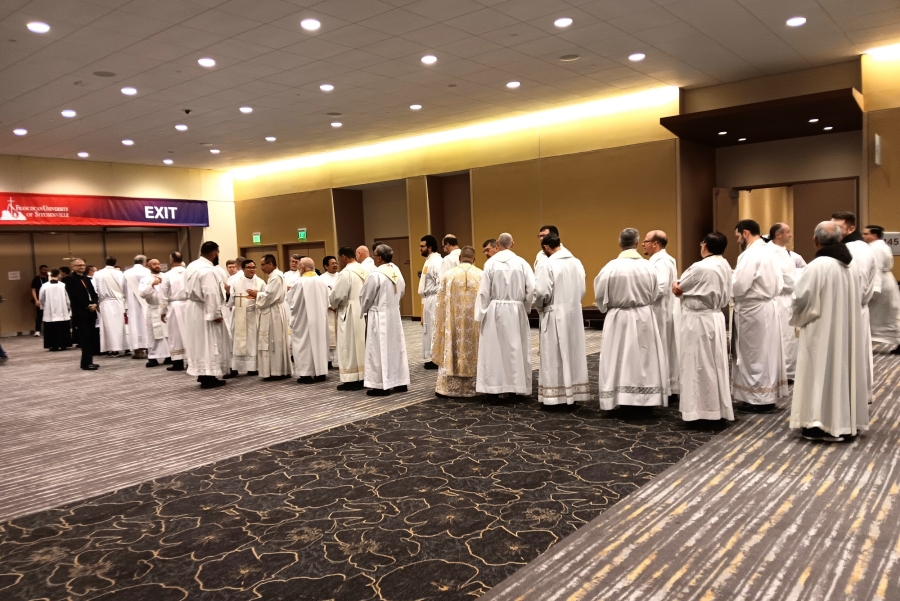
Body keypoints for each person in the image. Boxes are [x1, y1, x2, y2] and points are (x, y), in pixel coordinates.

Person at [790, 221, 869, 442]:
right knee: (841, 371)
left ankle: (819, 423)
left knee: (819, 373)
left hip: (821, 329)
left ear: (816, 241)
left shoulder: (819, 265)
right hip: (845, 328)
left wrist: (795, 312)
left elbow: (801, 297)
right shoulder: (849, 264)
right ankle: (844, 421)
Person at [594, 228, 666, 410]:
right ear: (636, 243)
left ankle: (619, 398)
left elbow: (600, 295)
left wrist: (606, 308)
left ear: (620, 244)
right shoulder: (649, 266)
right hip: (643, 315)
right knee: (643, 357)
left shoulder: (610, 268)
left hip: (618, 318)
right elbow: (656, 292)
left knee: (618, 357)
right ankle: (645, 400)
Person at [672, 232, 734, 424]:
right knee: (715, 364)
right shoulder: (725, 264)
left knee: (697, 364)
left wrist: (675, 283)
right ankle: (716, 408)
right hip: (715, 317)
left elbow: (678, 289)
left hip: (697, 320)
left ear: (705, 246)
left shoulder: (700, 267)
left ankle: (700, 411)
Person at [732, 219, 788, 413]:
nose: (738, 239)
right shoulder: (770, 251)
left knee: (754, 353)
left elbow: (740, 284)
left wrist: (726, 286)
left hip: (753, 308)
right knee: (766, 352)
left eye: (738, 235)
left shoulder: (750, 254)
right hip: (768, 305)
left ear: (745, 233)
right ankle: (766, 394)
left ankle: (758, 398)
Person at [475, 233, 535, 398]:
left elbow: (484, 292)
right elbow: (531, 288)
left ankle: (493, 390)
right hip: (517, 310)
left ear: (497, 244)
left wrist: (481, 314)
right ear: (512, 244)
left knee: (494, 349)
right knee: (515, 349)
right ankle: (515, 387)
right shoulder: (522, 263)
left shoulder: (490, 264)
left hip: (495, 309)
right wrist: (526, 307)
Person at [533, 234, 589, 407]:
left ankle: (555, 397)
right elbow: (583, 289)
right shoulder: (577, 262)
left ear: (546, 247)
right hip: (574, 314)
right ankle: (573, 393)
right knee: (572, 352)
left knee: (554, 354)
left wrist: (540, 307)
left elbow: (542, 292)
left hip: (554, 313)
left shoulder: (548, 264)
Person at [832, 211, 878, 403]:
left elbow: (857, 285)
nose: (834, 231)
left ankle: (853, 396)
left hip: (851, 310)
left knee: (852, 357)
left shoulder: (856, 250)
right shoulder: (850, 247)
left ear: (851, 229)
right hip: (850, 309)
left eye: (838, 228)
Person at [432, 246, 483, 397]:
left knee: (452, 345)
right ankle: (477, 386)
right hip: (475, 324)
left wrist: (441, 325)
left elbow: (439, 305)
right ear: (474, 260)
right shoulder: (481, 275)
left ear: (460, 258)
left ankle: (448, 388)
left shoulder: (448, 275)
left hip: (452, 324)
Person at [360, 244, 410, 396]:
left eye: (374, 255)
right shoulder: (396, 271)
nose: (373, 258)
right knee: (396, 347)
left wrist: (364, 309)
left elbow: (366, 297)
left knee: (378, 349)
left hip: (379, 315)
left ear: (379, 258)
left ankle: (381, 385)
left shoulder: (375, 275)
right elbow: (402, 290)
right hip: (394, 314)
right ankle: (400, 381)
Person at [184, 241, 231, 388]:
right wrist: (215, 314)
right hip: (205, 309)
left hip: (193, 308)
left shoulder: (192, 265)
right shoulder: (208, 271)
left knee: (199, 343)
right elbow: (210, 293)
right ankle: (209, 376)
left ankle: (202, 374)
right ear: (214, 253)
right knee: (210, 342)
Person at [642, 229, 679, 398]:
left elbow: (662, 287)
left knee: (662, 348)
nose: (643, 244)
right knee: (665, 348)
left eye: (646, 241)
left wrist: (642, 296)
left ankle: (666, 387)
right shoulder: (660, 260)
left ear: (655, 244)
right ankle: (667, 386)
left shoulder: (661, 261)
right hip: (661, 309)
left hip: (660, 310)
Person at [767, 223, 804, 382]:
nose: (791, 234)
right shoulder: (771, 252)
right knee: (784, 336)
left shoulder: (785, 253)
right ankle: (785, 371)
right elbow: (786, 279)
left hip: (787, 297)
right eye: (788, 232)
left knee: (789, 337)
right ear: (778, 235)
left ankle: (788, 370)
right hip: (780, 298)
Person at [247, 254, 291, 381]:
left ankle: (275, 371)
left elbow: (269, 296)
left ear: (270, 264)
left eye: (262, 264)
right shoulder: (276, 275)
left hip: (273, 313)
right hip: (275, 311)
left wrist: (257, 294)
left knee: (272, 341)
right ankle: (279, 369)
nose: (261, 268)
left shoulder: (275, 277)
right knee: (276, 341)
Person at [330, 247, 368, 390]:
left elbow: (338, 295)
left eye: (340, 258)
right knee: (361, 345)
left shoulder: (346, 273)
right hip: (362, 309)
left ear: (344, 257)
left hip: (349, 311)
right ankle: (363, 376)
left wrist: (332, 302)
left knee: (348, 345)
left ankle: (351, 379)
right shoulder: (364, 270)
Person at [289, 257, 330, 383]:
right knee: (320, 343)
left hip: (304, 320)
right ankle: (320, 372)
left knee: (304, 344)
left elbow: (292, 303)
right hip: (320, 320)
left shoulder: (299, 282)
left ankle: (306, 374)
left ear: (302, 268)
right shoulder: (321, 281)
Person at [863, 225, 900, 354]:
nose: (864, 236)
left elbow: (876, 269)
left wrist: (874, 288)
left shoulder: (876, 249)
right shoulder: (880, 246)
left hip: (881, 283)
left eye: (866, 234)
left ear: (874, 235)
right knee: (888, 313)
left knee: (884, 314)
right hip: (886, 281)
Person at [226, 259, 264, 376]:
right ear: (242, 269)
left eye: (253, 267)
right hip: (239, 315)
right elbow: (231, 299)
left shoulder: (261, 282)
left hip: (253, 314)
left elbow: (265, 297)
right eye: (249, 267)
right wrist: (228, 295)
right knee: (235, 340)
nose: (252, 269)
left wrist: (257, 296)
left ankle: (252, 367)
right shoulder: (235, 281)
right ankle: (234, 367)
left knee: (252, 341)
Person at [63, 258, 99, 370]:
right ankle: (86, 363)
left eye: (83, 265)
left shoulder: (86, 279)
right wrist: (87, 305)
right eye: (79, 265)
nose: (82, 267)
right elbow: (74, 296)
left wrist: (95, 303)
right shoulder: (69, 279)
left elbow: (93, 292)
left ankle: (89, 361)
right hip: (81, 311)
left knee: (92, 336)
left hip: (91, 311)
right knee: (85, 338)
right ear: (73, 266)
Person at [92, 257, 128, 356]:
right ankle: (126, 347)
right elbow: (125, 288)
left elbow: (94, 289)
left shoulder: (98, 274)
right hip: (120, 301)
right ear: (115, 263)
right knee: (122, 325)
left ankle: (112, 349)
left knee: (109, 326)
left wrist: (96, 302)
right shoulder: (121, 274)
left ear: (105, 262)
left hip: (105, 303)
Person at [138, 259, 170, 368]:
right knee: (153, 335)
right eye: (154, 264)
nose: (157, 265)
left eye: (158, 263)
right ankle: (153, 357)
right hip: (153, 309)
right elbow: (142, 294)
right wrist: (152, 284)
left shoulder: (166, 276)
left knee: (167, 334)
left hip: (165, 308)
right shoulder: (145, 279)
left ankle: (169, 356)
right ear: (148, 266)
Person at [418, 235, 443, 370]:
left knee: (434, 327)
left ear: (430, 247)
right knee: (428, 328)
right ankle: (431, 355)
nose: (420, 249)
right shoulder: (429, 260)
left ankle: (435, 357)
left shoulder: (437, 261)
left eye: (422, 246)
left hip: (434, 298)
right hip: (428, 299)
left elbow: (439, 280)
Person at [160, 252, 188, 371]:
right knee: (190, 333)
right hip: (189, 304)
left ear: (171, 260)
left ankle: (178, 362)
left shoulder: (167, 275)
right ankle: (192, 361)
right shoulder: (189, 272)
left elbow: (163, 294)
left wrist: (162, 310)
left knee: (175, 334)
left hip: (175, 305)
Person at [123, 255, 150, 359]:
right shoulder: (147, 272)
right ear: (144, 262)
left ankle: (137, 350)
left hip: (132, 302)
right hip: (146, 301)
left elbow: (124, 289)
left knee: (135, 325)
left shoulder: (126, 273)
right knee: (146, 324)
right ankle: (149, 349)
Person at [39, 269, 72, 351]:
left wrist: (43, 306)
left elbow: (41, 298)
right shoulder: (62, 285)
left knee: (51, 328)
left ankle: (53, 345)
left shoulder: (45, 286)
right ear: (59, 275)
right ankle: (64, 344)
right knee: (62, 327)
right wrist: (68, 306)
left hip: (49, 310)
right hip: (62, 309)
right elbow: (67, 297)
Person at [320, 255, 340, 368]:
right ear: (325, 266)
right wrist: (330, 306)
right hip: (328, 311)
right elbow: (321, 295)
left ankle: (339, 360)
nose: (335, 265)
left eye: (336, 263)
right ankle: (328, 360)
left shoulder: (341, 276)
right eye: (332, 263)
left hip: (339, 310)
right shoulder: (321, 279)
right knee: (329, 335)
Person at [30, 265, 49, 336]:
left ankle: (47, 330)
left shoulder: (49, 278)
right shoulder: (36, 279)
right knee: (39, 315)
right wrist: (36, 300)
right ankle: (38, 330)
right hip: (39, 299)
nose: (45, 271)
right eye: (44, 270)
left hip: (49, 299)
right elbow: (33, 290)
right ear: (40, 270)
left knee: (49, 315)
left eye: (46, 270)